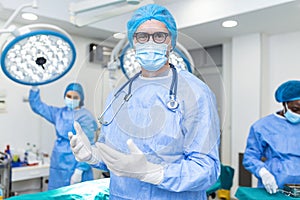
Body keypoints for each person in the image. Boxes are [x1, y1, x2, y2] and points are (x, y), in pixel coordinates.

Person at [69, 4, 220, 199]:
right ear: (133, 42)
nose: (150, 42)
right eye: (142, 36)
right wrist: (93, 154)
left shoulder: (195, 93)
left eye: (159, 36)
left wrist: (153, 172)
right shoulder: (119, 94)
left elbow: (207, 168)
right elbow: (114, 156)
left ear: (171, 42)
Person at [29, 83, 98, 190]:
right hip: (58, 164)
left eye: (75, 97)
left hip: (77, 163)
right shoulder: (59, 113)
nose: (71, 99)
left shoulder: (85, 116)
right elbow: (38, 106)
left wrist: (79, 171)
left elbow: (89, 147)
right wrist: (34, 87)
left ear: (81, 98)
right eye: (69, 96)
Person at [243, 80, 300, 194]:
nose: (299, 114)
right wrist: (264, 173)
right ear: (284, 104)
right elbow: (250, 157)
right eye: (295, 109)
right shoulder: (262, 126)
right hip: (275, 185)